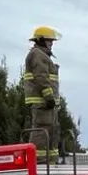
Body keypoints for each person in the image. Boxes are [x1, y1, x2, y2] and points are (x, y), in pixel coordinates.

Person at [24, 26, 62, 164]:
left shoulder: (42, 55)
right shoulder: (38, 55)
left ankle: (50, 162)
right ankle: (39, 162)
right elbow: (41, 77)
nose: (51, 43)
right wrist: (49, 97)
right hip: (42, 103)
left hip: (47, 104)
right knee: (42, 133)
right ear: (40, 40)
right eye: (49, 41)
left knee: (52, 132)